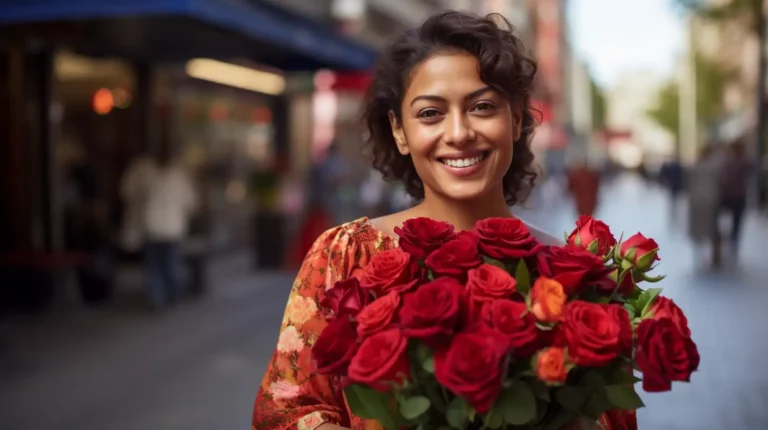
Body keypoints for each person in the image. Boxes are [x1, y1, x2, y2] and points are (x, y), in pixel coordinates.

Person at [252, 11, 635, 430]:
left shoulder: (571, 275)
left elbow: (614, 414)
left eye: (483, 107)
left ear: (518, 119)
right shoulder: (344, 256)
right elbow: (285, 406)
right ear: (399, 131)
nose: (458, 133)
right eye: (431, 113)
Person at [121, 133, 198, 308]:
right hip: (166, 227)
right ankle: (166, 296)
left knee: (157, 265)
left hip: (155, 226)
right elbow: (191, 202)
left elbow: (127, 193)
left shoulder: (149, 171)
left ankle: (160, 297)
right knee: (166, 264)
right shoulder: (171, 173)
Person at [687, 143, 723, 268]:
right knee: (712, 230)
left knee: (700, 229)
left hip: (698, 201)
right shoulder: (715, 166)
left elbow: (689, 183)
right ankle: (714, 257)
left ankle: (701, 251)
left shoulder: (696, 165)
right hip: (711, 200)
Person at [719, 139, 753, 262]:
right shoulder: (729, 162)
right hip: (731, 196)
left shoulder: (741, 162)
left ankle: (732, 242)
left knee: (736, 222)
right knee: (733, 222)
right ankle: (729, 242)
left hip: (735, 196)